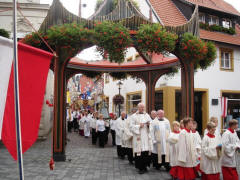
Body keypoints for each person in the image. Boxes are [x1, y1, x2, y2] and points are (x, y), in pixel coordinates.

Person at [130, 103, 152, 174]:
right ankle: (140, 168)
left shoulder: (147, 115)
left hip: (146, 136)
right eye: (141, 107)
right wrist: (139, 126)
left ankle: (145, 166)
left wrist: (149, 125)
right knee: (140, 153)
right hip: (138, 137)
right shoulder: (133, 116)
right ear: (138, 108)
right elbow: (131, 127)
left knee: (145, 152)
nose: (142, 109)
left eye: (143, 107)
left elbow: (151, 124)